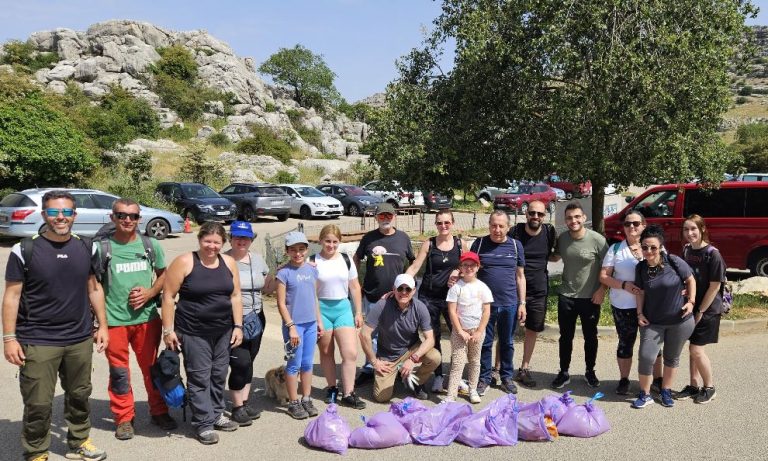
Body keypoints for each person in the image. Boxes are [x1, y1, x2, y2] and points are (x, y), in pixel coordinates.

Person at [3, 190, 109, 461]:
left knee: (79, 395)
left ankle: (79, 441)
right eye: (53, 212)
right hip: (38, 339)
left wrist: (103, 326)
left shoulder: (88, 247)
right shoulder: (25, 249)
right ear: (44, 215)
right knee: (38, 402)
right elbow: (12, 296)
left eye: (65, 212)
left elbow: (94, 289)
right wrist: (9, 338)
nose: (59, 217)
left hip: (78, 337)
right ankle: (37, 451)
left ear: (74, 215)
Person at [98, 198, 177, 440]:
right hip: (114, 321)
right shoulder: (102, 248)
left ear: (139, 219)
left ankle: (159, 411)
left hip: (147, 319)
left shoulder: (150, 244)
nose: (127, 220)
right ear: (113, 218)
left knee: (152, 369)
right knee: (120, 373)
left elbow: (165, 275)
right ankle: (124, 418)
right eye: (122, 215)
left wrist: (150, 293)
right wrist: (98, 324)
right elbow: (92, 287)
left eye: (133, 216)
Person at [162, 222, 244, 444]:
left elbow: (235, 295)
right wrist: (168, 330)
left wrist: (238, 326)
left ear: (223, 243)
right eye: (208, 241)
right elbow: (168, 296)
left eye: (217, 242)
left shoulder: (228, 262)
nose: (212, 246)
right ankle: (203, 423)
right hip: (193, 332)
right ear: (199, 240)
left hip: (223, 331)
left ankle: (216, 414)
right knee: (199, 377)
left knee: (218, 375)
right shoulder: (185, 262)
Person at [631, 225, 696, 409]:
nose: (649, 251)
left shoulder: (673, 261)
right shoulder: (641, 268)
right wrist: (639, 313)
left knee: (671, 357)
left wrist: (691, 301)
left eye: (653, 247)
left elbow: (690, 279)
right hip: (652, 322)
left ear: (660, 247)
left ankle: (666, 390)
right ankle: (645, 394)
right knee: (646, 356)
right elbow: (640, 292)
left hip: (680, 321)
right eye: (645, 247)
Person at [599, 211, 662, 395]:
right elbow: (603, 276)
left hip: (651, 306)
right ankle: (624, 379)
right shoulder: (616, 249)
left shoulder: (654, 246)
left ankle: (658, 379)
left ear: (643, 225)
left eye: (635, 223)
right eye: (627, 224)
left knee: (653, 345)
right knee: (625, 343)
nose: (632, 227)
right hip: (623, 306)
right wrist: (624, 285)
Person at [354, 203, 415, 386]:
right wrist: (355, 280)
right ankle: (369, 369)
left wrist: (407, 284)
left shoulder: (403, 238)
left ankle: (395, 369)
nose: (385, 218)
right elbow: (357, 258)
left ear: (394, 216)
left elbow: (413, 261)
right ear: (376, 218)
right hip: (372, 295)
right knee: (371, 336)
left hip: (398, 298)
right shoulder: (369, 238)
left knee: (394, 334)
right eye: (381, 216)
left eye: (388, 215)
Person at [551, 202, 608, 390]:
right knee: (565, 337)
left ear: (584, 218)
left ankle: (590, 371)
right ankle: (563, 372)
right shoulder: (563, 239)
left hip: (590, 298)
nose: (573, 220)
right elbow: (555, 257)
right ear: (565, 220)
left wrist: (601, 290)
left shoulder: (597, 240)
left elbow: (610, 268)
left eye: (577, 217)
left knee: (590, 337)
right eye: (569, 218)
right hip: (567, 296)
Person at [359, 274, 441, 402]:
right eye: (400, 288)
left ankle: (416, 382)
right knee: (381, 397)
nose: (404, 292)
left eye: (408, 289)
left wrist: (413, 359)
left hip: (411, 349)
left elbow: (430, 339)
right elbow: (364, 334)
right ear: (394, 289)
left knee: (435, 357)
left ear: (414, 291)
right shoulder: (382, 304)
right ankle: (396, 373)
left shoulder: (420, 307)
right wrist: (374, 362)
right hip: (388, 355)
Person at [406, 209, 463, 392]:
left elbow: (469, 265)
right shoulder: (429, 244)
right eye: (440, 223)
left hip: (452, 299)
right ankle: (438, 375)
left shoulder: (461, 244)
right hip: (429, 297)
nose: (443, 226)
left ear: (452, 223)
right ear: (436, 224)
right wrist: (401, 284)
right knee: (433, 337)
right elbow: (415, 267)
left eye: (447, 222)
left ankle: (455, 376)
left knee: (457, 337)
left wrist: (458, 271)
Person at [225, 221, 276, 425]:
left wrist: (281, 273)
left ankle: (243, 403)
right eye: (237, 237)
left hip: (257, 316)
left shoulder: (257, 259)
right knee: (240, 362)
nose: (241, 241)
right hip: (232, 319)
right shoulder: (223, 259)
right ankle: (236, 407)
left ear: (251, 239)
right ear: (230, 238)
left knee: (250, 361)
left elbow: (268, 288)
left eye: (245, 237)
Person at [471, 211, 526, 396]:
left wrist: (522, 303)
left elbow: (520, 276)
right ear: (489, 225)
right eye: (494, 225)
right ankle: (485, 378)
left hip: (509, 303)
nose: (497, 229)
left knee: (507, 342)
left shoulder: (516, 246)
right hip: (484, 306)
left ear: (508, 227)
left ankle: (506, 377)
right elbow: (470, 273)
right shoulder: (479, 245)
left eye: (501, 226)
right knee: (485, 343)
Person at [314, 224, 366, 409]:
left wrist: (358, 311)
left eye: (335, 242)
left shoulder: (346, 260)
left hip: (343, 307)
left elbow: (354, 287)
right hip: (322, 308)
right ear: (321, 240)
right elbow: (310, 292)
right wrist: (317, 318)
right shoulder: (313, 261)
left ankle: (349, 392)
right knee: (327, 352)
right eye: (327, 241)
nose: (331, 245)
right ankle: (332, 388)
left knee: (350, 352)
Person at [676, 214, 726, 404]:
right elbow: (685, 276)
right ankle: (693, 385)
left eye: (693, 229)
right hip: (691, 305)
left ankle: (710, 387)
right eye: (686, 229)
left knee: (696, 350)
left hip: (708, 309)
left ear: (702, 229)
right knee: (692, 350)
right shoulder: (687, 250)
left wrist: (701, 311)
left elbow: (714, 287)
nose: (690, 233)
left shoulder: (713, 254)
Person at [508, 200, 556, 388]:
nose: (536, 217)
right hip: (513, 289)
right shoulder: (515, 233)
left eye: (540, 214)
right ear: (526, 214)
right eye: (532, 213)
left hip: (538, 290)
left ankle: (524, 368)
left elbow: (555, 255)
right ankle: (498, 368)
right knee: (507, 330)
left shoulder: (549, 232)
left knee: (532, 330)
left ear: (545, 216)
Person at [276, 231, 322, 420]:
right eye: (293, 250)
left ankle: (306, 398)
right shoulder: (283, 273)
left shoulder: (312, 270)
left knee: (307, 363)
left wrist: (319, 321)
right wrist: (291, 326)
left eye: (301, 249)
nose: (298, 253)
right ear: (287, 251)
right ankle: (293, 402)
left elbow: (314, 298)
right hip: (294, 326)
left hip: (311, 324)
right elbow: (280, 303)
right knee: (294, 364)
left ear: (306, 250)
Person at [444, 252, 492, 403]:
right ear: (460, 268)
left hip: (477, 332)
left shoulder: (483, 287)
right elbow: (452, 310)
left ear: (478, 267)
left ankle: (472, 389)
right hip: (460, 332)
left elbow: (486, 311)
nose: (469, 268)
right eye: (465, 265)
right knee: (458, 363)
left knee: (475, 361)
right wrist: (459, 331)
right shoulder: (456, 287)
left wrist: (479, 331)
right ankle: (451, 395)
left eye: (472, 265)